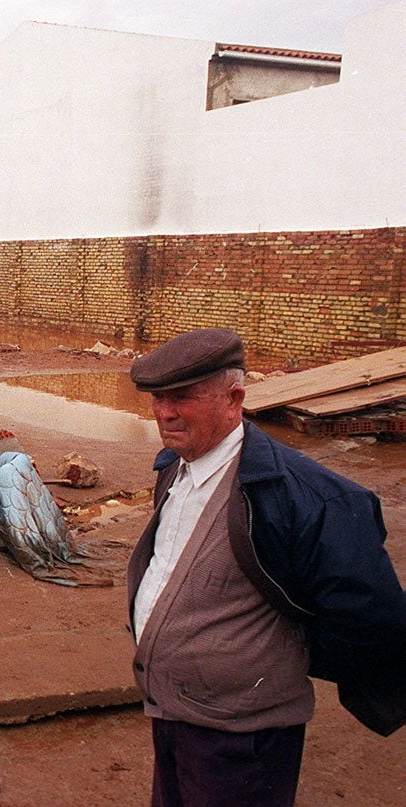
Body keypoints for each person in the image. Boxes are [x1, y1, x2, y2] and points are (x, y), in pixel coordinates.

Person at [127, 328, 406, 807]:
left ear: (234, 400)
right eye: (157, 399)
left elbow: (372, 619)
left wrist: (284, 659)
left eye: (182, 399)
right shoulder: (177, 467)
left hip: (242, 738)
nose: (164, 413)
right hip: (172, 712)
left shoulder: (307, 498)